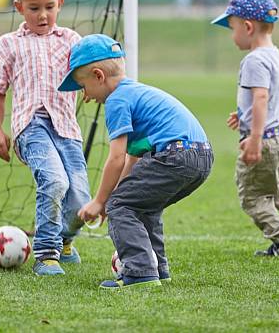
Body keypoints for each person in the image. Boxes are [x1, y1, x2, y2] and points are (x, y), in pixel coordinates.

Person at [63, 34, 213, 289]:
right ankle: (157, 269)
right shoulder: (136, 92)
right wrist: (114, 196)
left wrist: (101, 201)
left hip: (174, 155)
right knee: (142, 205)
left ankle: (140, 273)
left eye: (82, 86)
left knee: (121, 206)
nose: (84, 96)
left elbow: (116, 157)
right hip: (200, 156)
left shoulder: (117, 100)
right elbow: (131, 160)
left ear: (99, 76)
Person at [0, 0, 91, 277]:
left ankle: (65, 241)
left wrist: (89, 84)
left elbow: (88, 74)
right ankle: (46, 254)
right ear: (19, 7)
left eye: (49, 7)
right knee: (55, 181)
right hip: (31, 127)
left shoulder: (72, 40)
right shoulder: (8, 44)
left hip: (67, 129)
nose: (42, 15)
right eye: (34, 8)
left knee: (80, 198)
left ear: (59, 3)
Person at [210, 0, 279, 257]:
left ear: (248, 27)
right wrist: (243, 115)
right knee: (269, 183)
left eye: (232, 27)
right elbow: (269, 98)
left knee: (252, 195)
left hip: (264, 139)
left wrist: (255, 137)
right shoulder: (275, 55)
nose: (232, 34)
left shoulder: (254, 60)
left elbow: (260, 96)